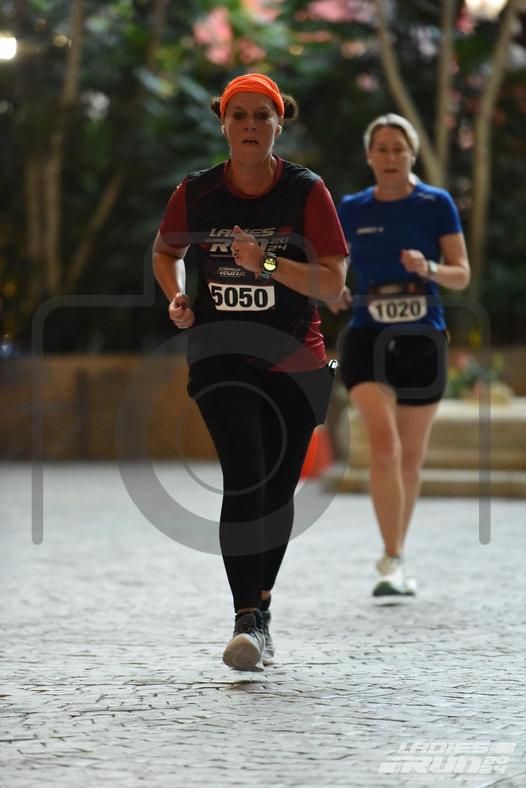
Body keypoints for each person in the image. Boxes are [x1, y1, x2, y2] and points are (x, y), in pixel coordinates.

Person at [152, 74, 347, 669]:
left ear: (279, 124)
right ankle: (246, 618)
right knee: (245, 476)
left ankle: (261, 607)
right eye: (239, 115)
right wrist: (176, 294)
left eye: (263, 115)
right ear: (223, 123)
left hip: (296, 355)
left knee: (277, 491)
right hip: (221, 352)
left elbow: (333, 284)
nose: (250, 126)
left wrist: (265, 263)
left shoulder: (306, 191)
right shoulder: (197, 192)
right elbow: (166, 251)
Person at [331, 113, 470, 598]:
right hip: (367, 337)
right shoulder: (351, 207)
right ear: (369, 156)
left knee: (410, 459)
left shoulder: (435, 203)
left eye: (399, 149)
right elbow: (331, 268)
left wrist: (429, 267)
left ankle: (398, 554)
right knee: (384, 446)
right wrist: (335, 290)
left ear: (412, 155)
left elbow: (462, 274)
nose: (390, 157)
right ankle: (390, 560)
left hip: (422, 340)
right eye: (382, 149)